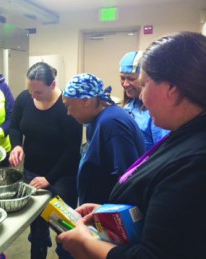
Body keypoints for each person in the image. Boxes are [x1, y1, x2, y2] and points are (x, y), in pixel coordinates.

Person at [57, 31, 206, 259]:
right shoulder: (184, 135)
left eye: (144, 84)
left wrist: (87, 244)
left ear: (171, 89)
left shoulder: (196, 160)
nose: (141, 97)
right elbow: (168, 219)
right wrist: (111, 214)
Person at [8, 62, 82, 259]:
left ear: (53, 84)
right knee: (37, 230)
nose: (33, 96)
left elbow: (72, 150)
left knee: (65, 231)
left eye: (38, 92)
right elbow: (15, 127)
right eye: (30, 90)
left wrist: (49, 178)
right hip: (32, 173)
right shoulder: (25, 98)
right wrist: (16, 145)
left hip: (62, 178)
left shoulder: (66, 105)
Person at [62, 73, 145, 206]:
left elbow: (126, 180)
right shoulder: (95, 122)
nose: (68, 113)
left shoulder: (112, 124)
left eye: (68, 106)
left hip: (109, 214)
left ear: (85, 101)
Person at [120, 51, 170, 150]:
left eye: (131, 79)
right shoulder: (130, 104)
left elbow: (162, 151)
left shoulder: (156, 113)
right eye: (122, 78)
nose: (125, 84)